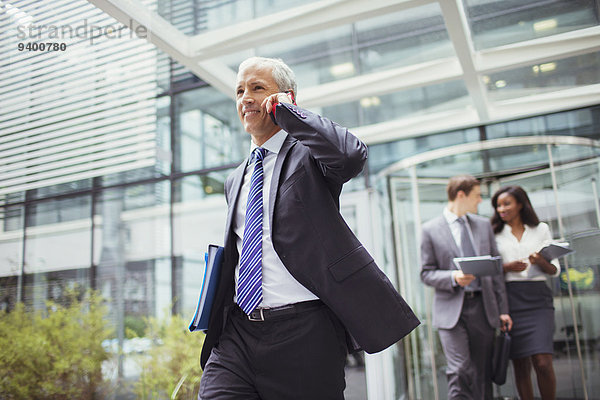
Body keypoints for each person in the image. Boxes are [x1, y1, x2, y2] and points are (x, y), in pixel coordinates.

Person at [198, 56, 420, 399]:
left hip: (304, 333)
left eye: (258, 88)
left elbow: (349, 155)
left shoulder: (309, 155)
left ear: (286, 97)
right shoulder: (235, 178)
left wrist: (290, 114)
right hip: (238, 333)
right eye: (240, 90)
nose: (245, 98)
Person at [420, 175, 512, 400]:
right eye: (477, 196)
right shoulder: (430, 229)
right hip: (452, 311)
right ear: (461, 195)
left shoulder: (482, 225)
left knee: (482, 372)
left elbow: (496, 271)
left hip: (483, 308)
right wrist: (453, 277)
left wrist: (503, 309)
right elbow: (426, 273)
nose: (480, 201)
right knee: (460, 369)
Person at [491, 185, 559, 400]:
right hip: (511, 298)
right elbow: (490, 270)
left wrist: (539, 260)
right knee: (520, 363)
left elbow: (554, 270)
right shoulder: (494, 234)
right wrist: (507, 267)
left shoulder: (541, 229)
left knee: (543, 362)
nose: (501, 209)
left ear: (520, 204)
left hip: (538, 298)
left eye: (506, 203)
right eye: (498, 205)